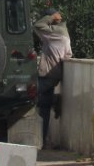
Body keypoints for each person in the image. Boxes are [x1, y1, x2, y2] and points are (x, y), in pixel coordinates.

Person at [33, 8, 72, 148]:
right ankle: (42, 141)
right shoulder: (64, 32)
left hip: (47, 75)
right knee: (44, 108)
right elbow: (68, 55)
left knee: (26, 95)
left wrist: (50, 17)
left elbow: (37, 25)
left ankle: (56, 100)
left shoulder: (55, 32)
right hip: (53, 76)